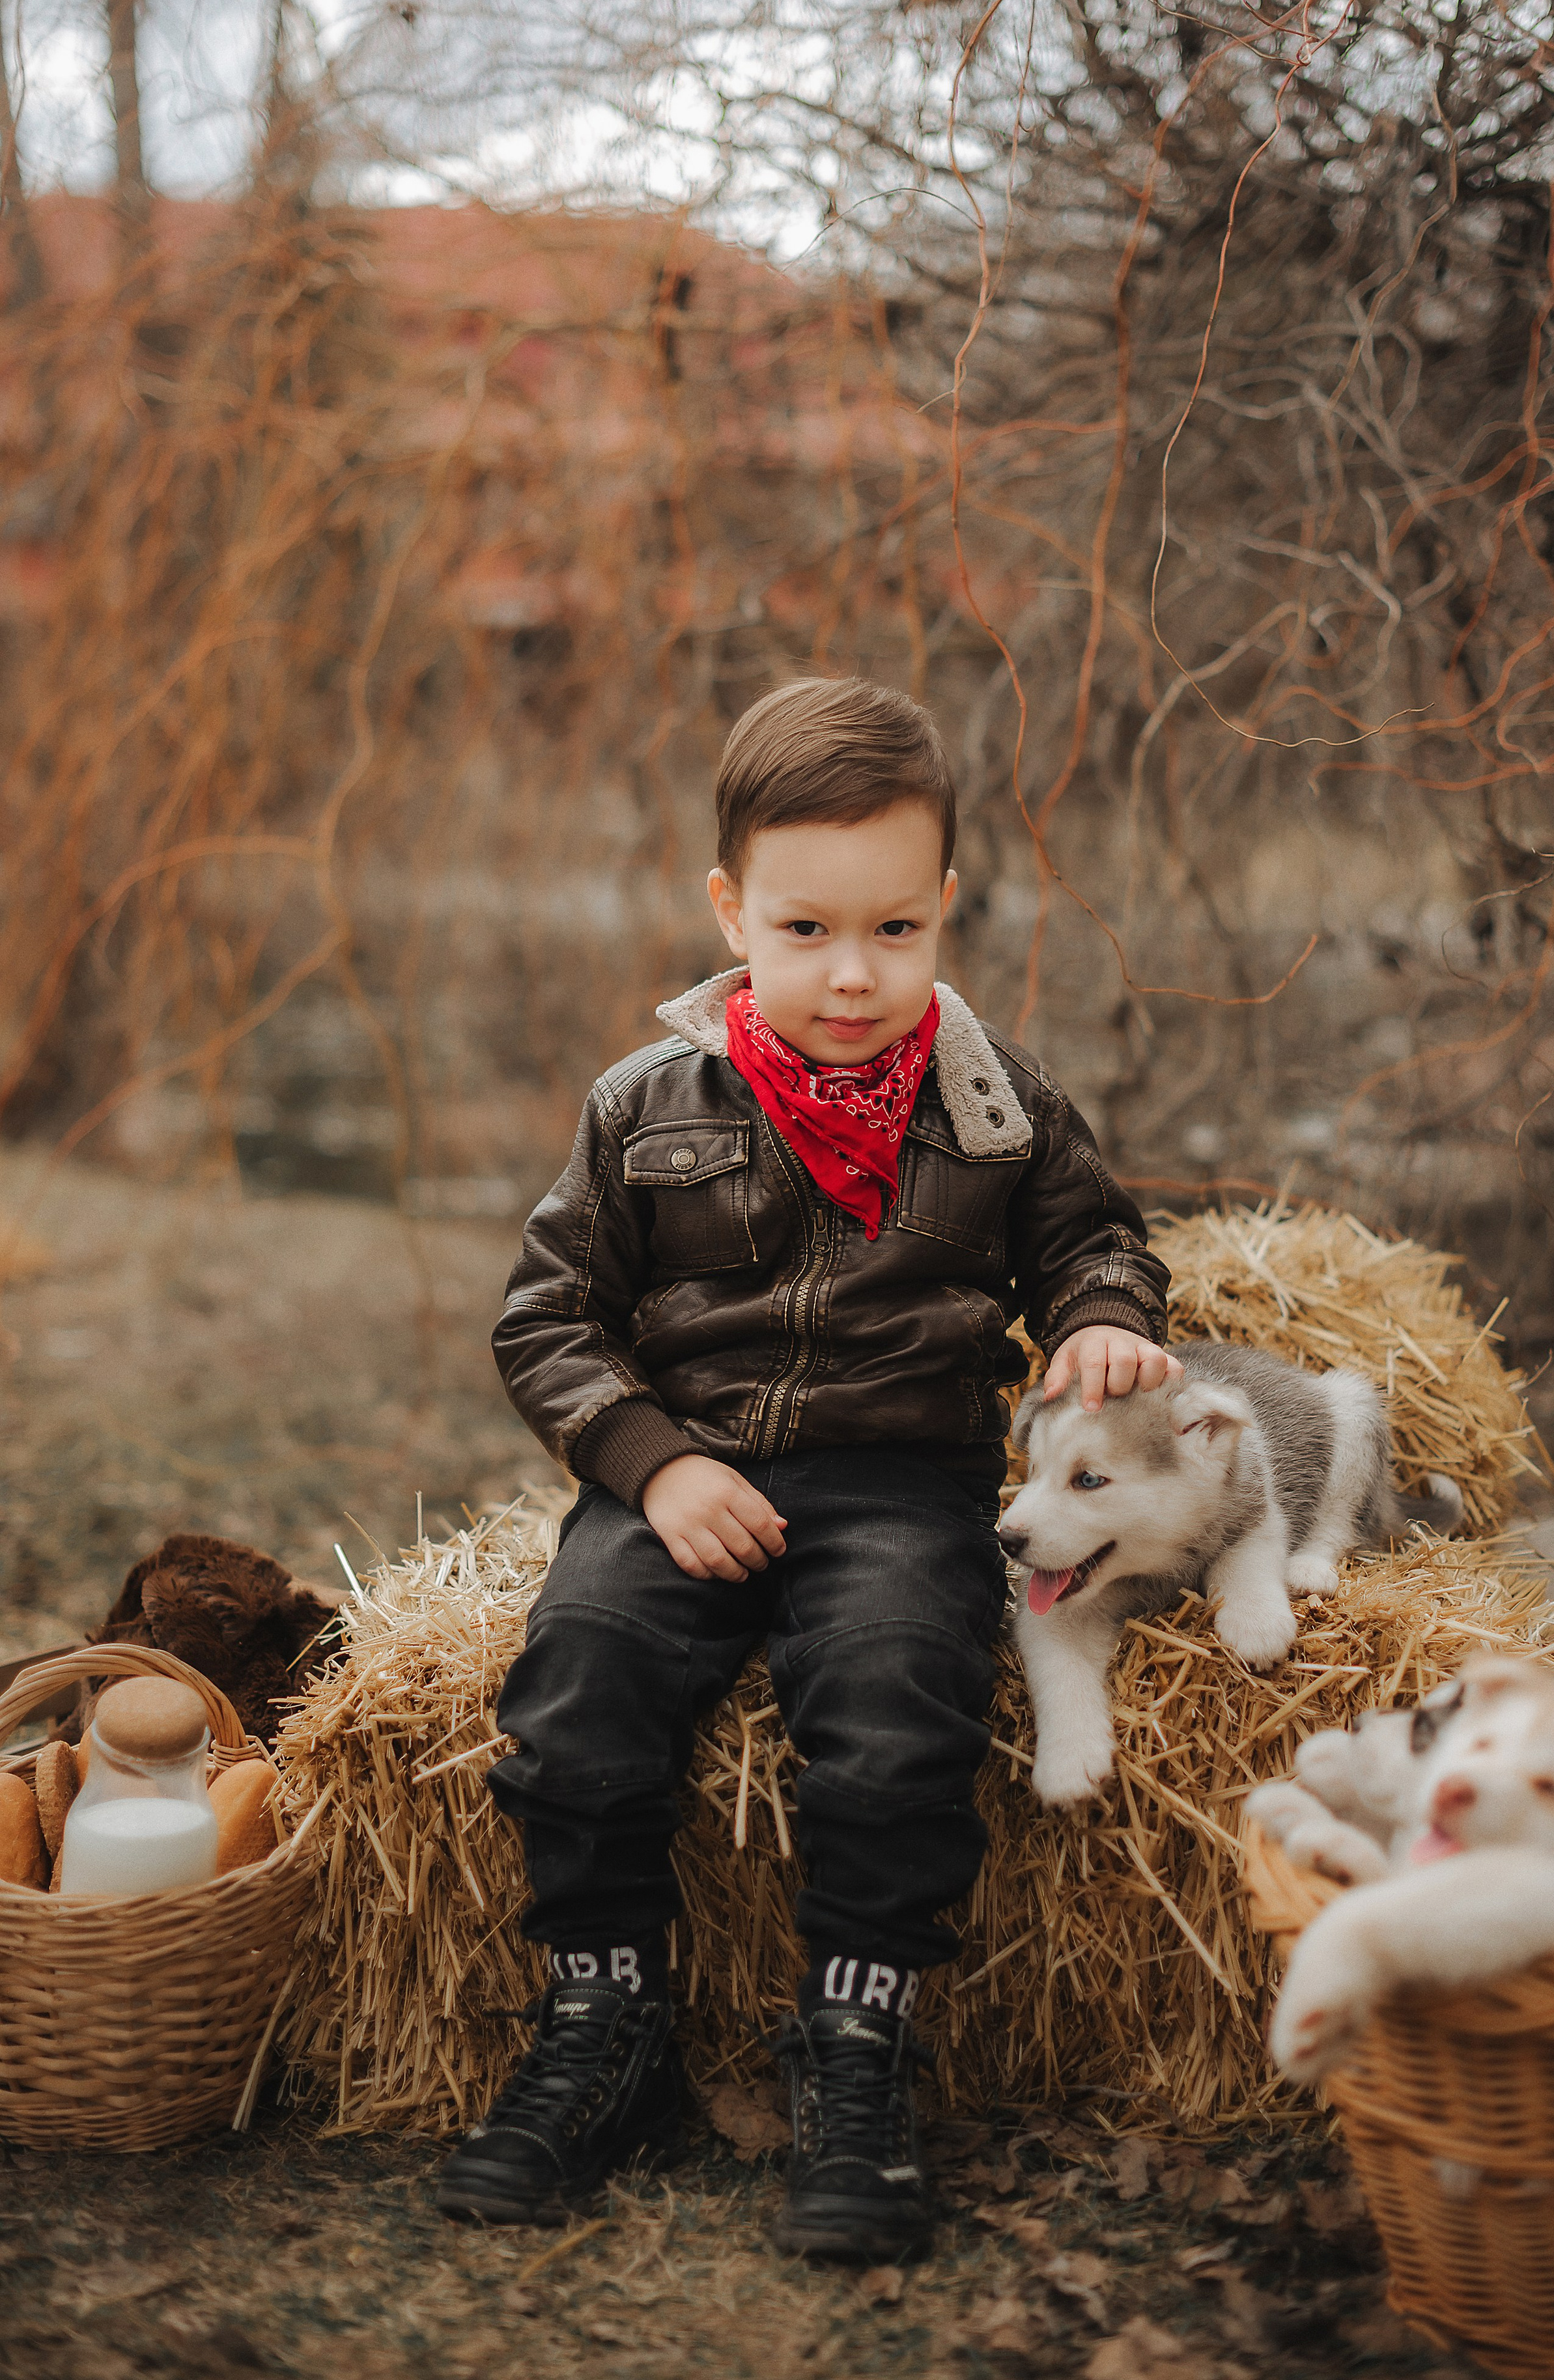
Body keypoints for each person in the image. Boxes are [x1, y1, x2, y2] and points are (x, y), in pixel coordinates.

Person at [438, 678, 1176, 2260]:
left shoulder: (995, 1107)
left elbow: (1095, 1243)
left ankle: (857, 2036)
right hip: (686, 1474)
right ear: (730, 912)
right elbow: (548, 1318)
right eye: (805, 929)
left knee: (901, 1701)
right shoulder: (643, 1105)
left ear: (945, 908)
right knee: (577, 1685)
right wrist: (649, 1464)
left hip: (900, 1482)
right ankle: (604, 2014)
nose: (853, 973)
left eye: (895, 930)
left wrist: (1104, 1320)